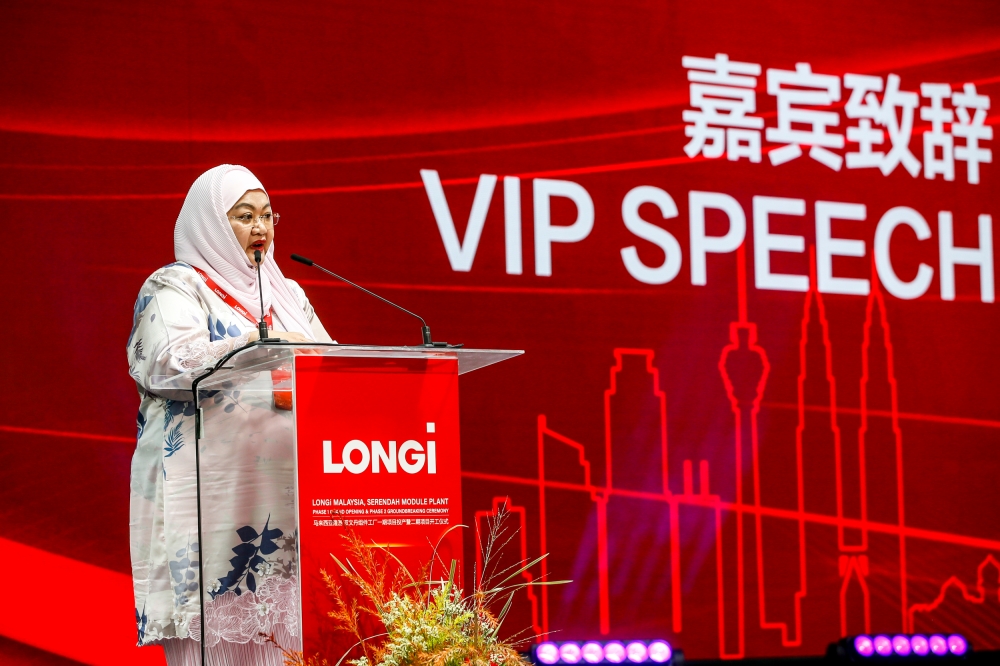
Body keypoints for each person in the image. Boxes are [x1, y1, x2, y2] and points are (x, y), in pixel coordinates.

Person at [127, 164, 333, 665]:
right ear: (210, 224)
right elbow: (166, 363)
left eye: (267, 215)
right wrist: (257, 344)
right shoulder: (176, 285)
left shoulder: (288, 294)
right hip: (208, 496)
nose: (260, 227)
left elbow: (332, 364)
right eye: (243, 216)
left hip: (289, 495)